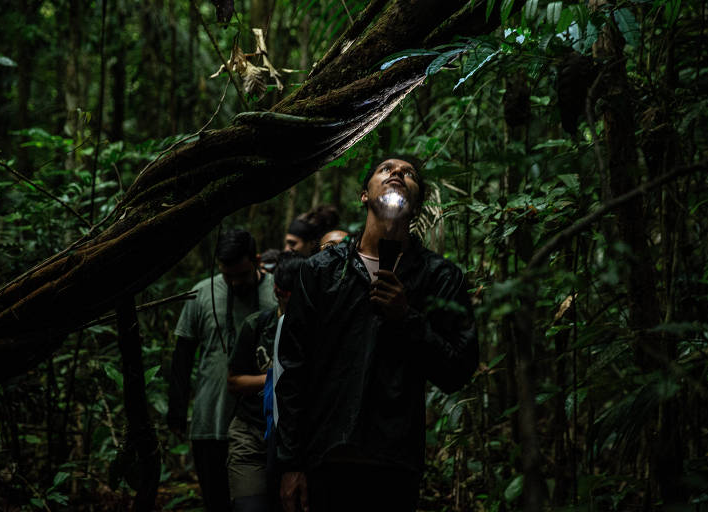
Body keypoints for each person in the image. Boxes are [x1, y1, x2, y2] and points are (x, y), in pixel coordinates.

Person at [276, 157, 478, 512]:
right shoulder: (322, 271)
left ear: (415, 205)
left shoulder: (440, 277)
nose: (398, 173)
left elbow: (457, 369)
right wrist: (290, 463)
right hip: (326, 458)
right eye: (386, 169)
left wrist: (407, 318)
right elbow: (294, 370)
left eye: (409, 173)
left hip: (394, 464)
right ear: (364, 195)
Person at [168, 228, 277, 511]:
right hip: (212, 420)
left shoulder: (277, 292)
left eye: (241, 275)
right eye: (227, 276)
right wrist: (177, 411)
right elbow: (182, 356)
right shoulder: (203, 292)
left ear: (255, 260)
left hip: (263, 426)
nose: (234, 283)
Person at [227, 251, 306, 512]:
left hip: (296, 441)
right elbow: (235, 381)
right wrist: (275, 378)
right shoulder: (257, 326)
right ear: (277, 292)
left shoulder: (318, 331)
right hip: (252, 434)